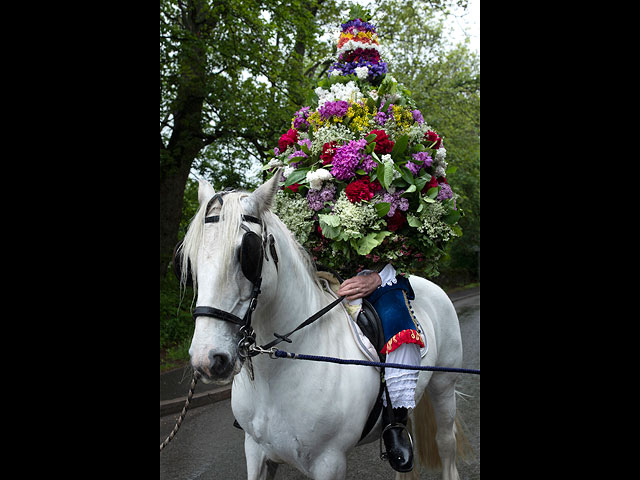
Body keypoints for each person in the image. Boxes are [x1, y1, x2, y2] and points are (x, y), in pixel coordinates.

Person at [337, 263, 423, 473]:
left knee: (400, 328)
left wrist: (379, 276)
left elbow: (410, 247)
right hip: (326, 274)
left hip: (382, 281)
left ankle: (395, 422)